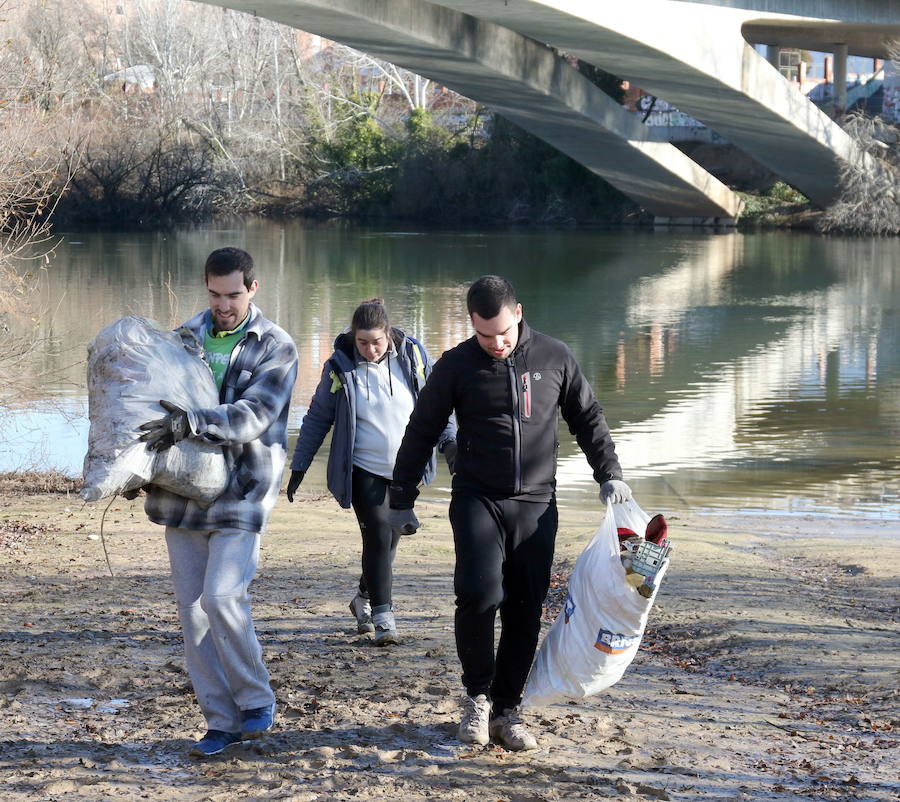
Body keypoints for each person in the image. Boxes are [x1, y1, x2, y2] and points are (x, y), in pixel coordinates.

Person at [389, 275, 631, 752]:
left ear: (518, 313)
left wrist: (610, 473)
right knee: (479, 596)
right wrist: (401, 497)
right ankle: (477, 698)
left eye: (502, 332)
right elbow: (422, 429)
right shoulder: (456, 366)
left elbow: (587, 417)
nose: (496, 344)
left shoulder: (554, 356)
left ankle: (507, 709)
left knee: (525, 606)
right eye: (484, 335)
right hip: (477, 497)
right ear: (471, 326)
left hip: (537, 504)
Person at [137, 247, 298, 758]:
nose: (223, 305)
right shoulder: (183, 338)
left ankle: (256, 700)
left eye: (233, 294)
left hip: (245, 492)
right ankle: (220, 722)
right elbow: (152, 399)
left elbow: (253, 414)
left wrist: (194, 421)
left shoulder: (278, 347)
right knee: (193, 612)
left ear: (253, 288)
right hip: (183, 496)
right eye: (214, 293)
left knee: (223, 596)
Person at [285, 298, 455, 646]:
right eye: (362, 342)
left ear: (388, 334)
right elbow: (318, 416)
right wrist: (300, 464)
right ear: (353, 336)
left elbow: (439, 403)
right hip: (363, 468)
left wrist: (450, 441)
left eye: (376, 341)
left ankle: (363, 597)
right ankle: (384, 618)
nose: (370, 349)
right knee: (378, 534)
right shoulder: (340, 367)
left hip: (406, 469)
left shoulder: (414, 358)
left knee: (390, 542)